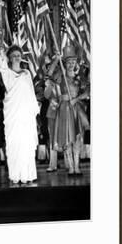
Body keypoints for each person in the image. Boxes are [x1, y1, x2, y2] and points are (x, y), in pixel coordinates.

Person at [0, 46, 39, 184]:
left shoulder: (26, 73)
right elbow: (1, 67)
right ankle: (16, 175)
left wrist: (34, 110)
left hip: (26, 116)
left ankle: (28, 174)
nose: (17, 57)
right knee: (15, 144)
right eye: (14, 55)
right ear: (9, 58)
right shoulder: (7, 74)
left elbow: (31, 93)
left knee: (26, 145)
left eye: (18, 55)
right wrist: (2, 54)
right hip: (13, 116)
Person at [53, 45, 90, 176]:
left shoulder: (79, 78)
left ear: (76, 63)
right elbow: (49, 75)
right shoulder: (61, 76)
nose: (70, 64)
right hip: (64, 109)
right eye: (68, 62)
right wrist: (57, 60)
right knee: (67, 138)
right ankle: (70, 167)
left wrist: (77, 98)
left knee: (77, 138)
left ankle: (77, 166)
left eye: (73, 62)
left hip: (76, 109)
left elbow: (87, 92)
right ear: (65, 63)